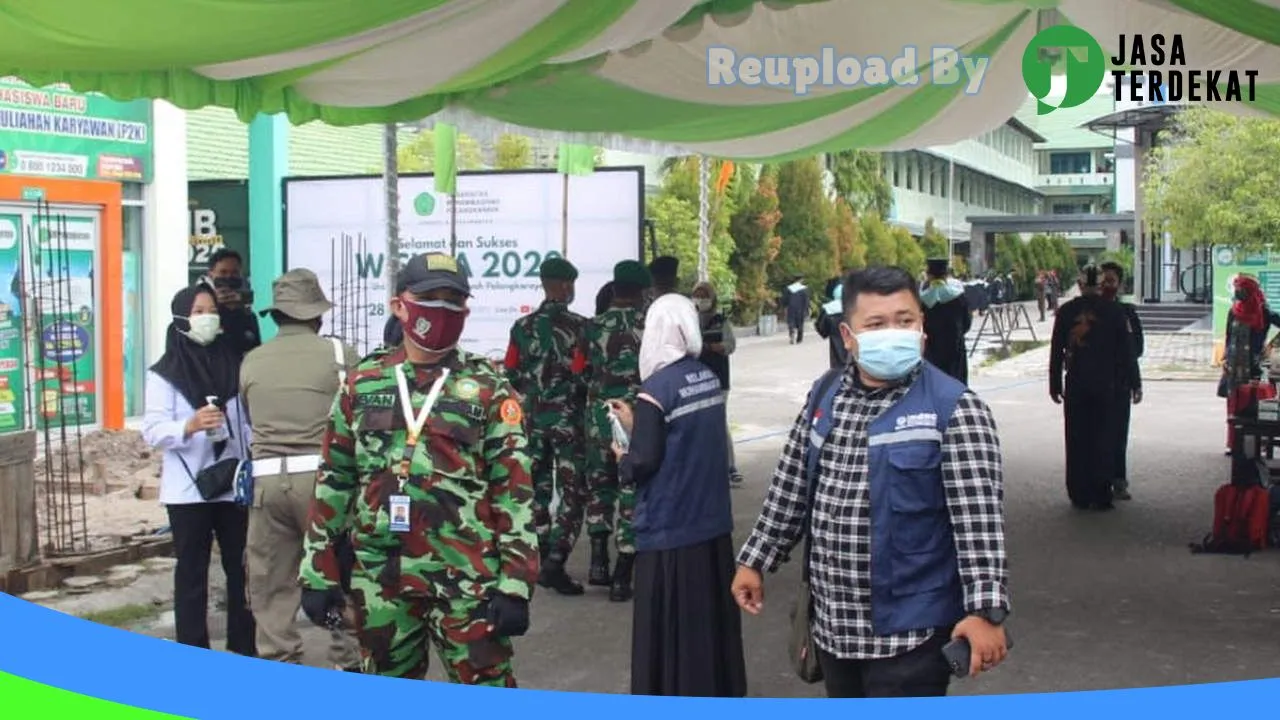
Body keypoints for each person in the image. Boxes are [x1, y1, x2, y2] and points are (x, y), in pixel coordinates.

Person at [732, 266, 1010, 699]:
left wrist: (986, 612)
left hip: (911, 635)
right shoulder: (825, 396)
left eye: (905, 320)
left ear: (922, 328)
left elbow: (979, 524)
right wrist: (755, 560)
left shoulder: (954, 409)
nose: (893, 332)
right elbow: (791, 487)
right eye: (876, 324)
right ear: (848, 336)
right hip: (835, 629)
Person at [298, 252, 537, 685]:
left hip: (468, 584)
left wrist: (516, 582)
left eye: (453, 301)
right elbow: (334, 480)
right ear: (399, 306)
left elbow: (514, 491)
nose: (442, 310)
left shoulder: (488, 387)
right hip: (381, 582)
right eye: (430, 298)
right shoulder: (362, 382)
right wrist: (318, 572)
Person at [608, 293, 747, 697]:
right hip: (711, 526)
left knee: (671, 635)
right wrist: (642, 425)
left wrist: (623, 456)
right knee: (710, 629)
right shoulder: (703, 375)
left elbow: (645, 462)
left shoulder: (655, 390)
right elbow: (683, 442)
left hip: (671, 533)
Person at [238, 269, 362, 670]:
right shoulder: (342, 355)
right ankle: (349, 661)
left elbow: (247, 417)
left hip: (267, 483)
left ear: (276, 316)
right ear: (317, 315)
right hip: (324, 481)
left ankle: (280, 663)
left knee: (272, 582)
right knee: (341, 570)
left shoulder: (251, 361)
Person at [142, 285, 256, 657]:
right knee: (192, 575)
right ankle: (193, 651)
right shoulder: (164, 374)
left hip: (231, 484)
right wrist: (188, 426)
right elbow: (153, 430)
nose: (207, 317)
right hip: (188, 491)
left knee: (241, 571)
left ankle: (244, 647)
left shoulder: (234, 364)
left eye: (212, 310)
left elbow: (246, 422)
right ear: (180, 319)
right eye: (198, 311)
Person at [503, 257, 590, 595]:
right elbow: (584, 374)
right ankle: (556, 558)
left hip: (532, 422)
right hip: (569, 422)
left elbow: (510, 373)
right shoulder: (582, 328)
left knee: (534, 489)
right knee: (573, 491)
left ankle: (539, 554)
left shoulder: (521, 328)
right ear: (565, 286)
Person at [582, 260, 650, 600]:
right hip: (633, 418)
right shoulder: (647, 325)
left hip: (598, 415)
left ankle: (597, 562)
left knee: (599, 486)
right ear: (640, 291)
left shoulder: (592, 327)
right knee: (630, 490)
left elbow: (580, 370)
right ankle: (623, 576)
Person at [1048, 265, 1141, 511]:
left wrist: (1054, 382)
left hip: (1077, 382)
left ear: (1079, 285)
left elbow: (1057, 349)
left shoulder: (1067, 311)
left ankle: (1079, 492)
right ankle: (1101, 492)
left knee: (1077, 437)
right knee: (1103, 437)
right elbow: (1127, 351)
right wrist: (1135, 382)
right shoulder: (1114, 312)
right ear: (1100, 286)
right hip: (1106, 383)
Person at [1099, 262, 1143, 501]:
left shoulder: (1127, 313)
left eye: (1111, 281)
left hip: (1119, 383)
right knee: (1094, 435)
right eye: (1103, 281)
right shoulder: (1088, 312)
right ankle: (1097, 481)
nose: (1107, 285)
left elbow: (1136, 349)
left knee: (1117, 434)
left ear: (1120, 284)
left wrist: (1136, 383)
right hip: (1093, 383)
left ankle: (1118, 480)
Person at [1221, 274, 1280, 452]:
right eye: (1237, 289)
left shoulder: (1264, 312)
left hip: (1254, 366)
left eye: (1242, 289)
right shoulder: (1234, 310)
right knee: (1234, 404)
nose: (1239, 293)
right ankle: (1234, 443)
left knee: (1255, 405)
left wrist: (1271, 347)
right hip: (1234, 366)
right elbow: (1228, 336)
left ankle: (1258, 444)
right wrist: (1225, 357)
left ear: (1251, 291)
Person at [692, 281, 742, 485]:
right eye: (698, 295)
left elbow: (730, 345)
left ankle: (730, 466)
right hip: (695, 380)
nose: (701, 300)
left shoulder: (721, 321)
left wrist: (713, 347)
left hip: (718, 379)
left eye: (705, 296)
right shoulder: (690, 320)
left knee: (719, 423)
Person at [201, 248, 261, 357]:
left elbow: (256, 353)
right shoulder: (203, 315)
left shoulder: (249, 317)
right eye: (223, 272)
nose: (229, 277)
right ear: (211, 275)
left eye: (234, 272)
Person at [920, 258, 972, 385]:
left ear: (929, 275)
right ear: (947, 275)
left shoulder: (922, 299)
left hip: (931, 349)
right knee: (955, 383)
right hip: (955, 348)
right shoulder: (958, 297)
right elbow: (967, 323)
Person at [814, 280, 851, 370]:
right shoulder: (855, 306)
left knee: (838, 366)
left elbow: (822, 328)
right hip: (853, 342)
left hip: (836, 343)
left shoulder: (828, 308)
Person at [785, 275, 810, 344]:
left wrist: (785, 307)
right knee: (800, 323)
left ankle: (792, 332)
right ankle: (799, 339)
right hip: (801, 308)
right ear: (801, 280)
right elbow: (806, 300)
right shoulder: (804, 289)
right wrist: (807, 309)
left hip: (791, 308)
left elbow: (785, 300)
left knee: (791, 321)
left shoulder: (789, 288)